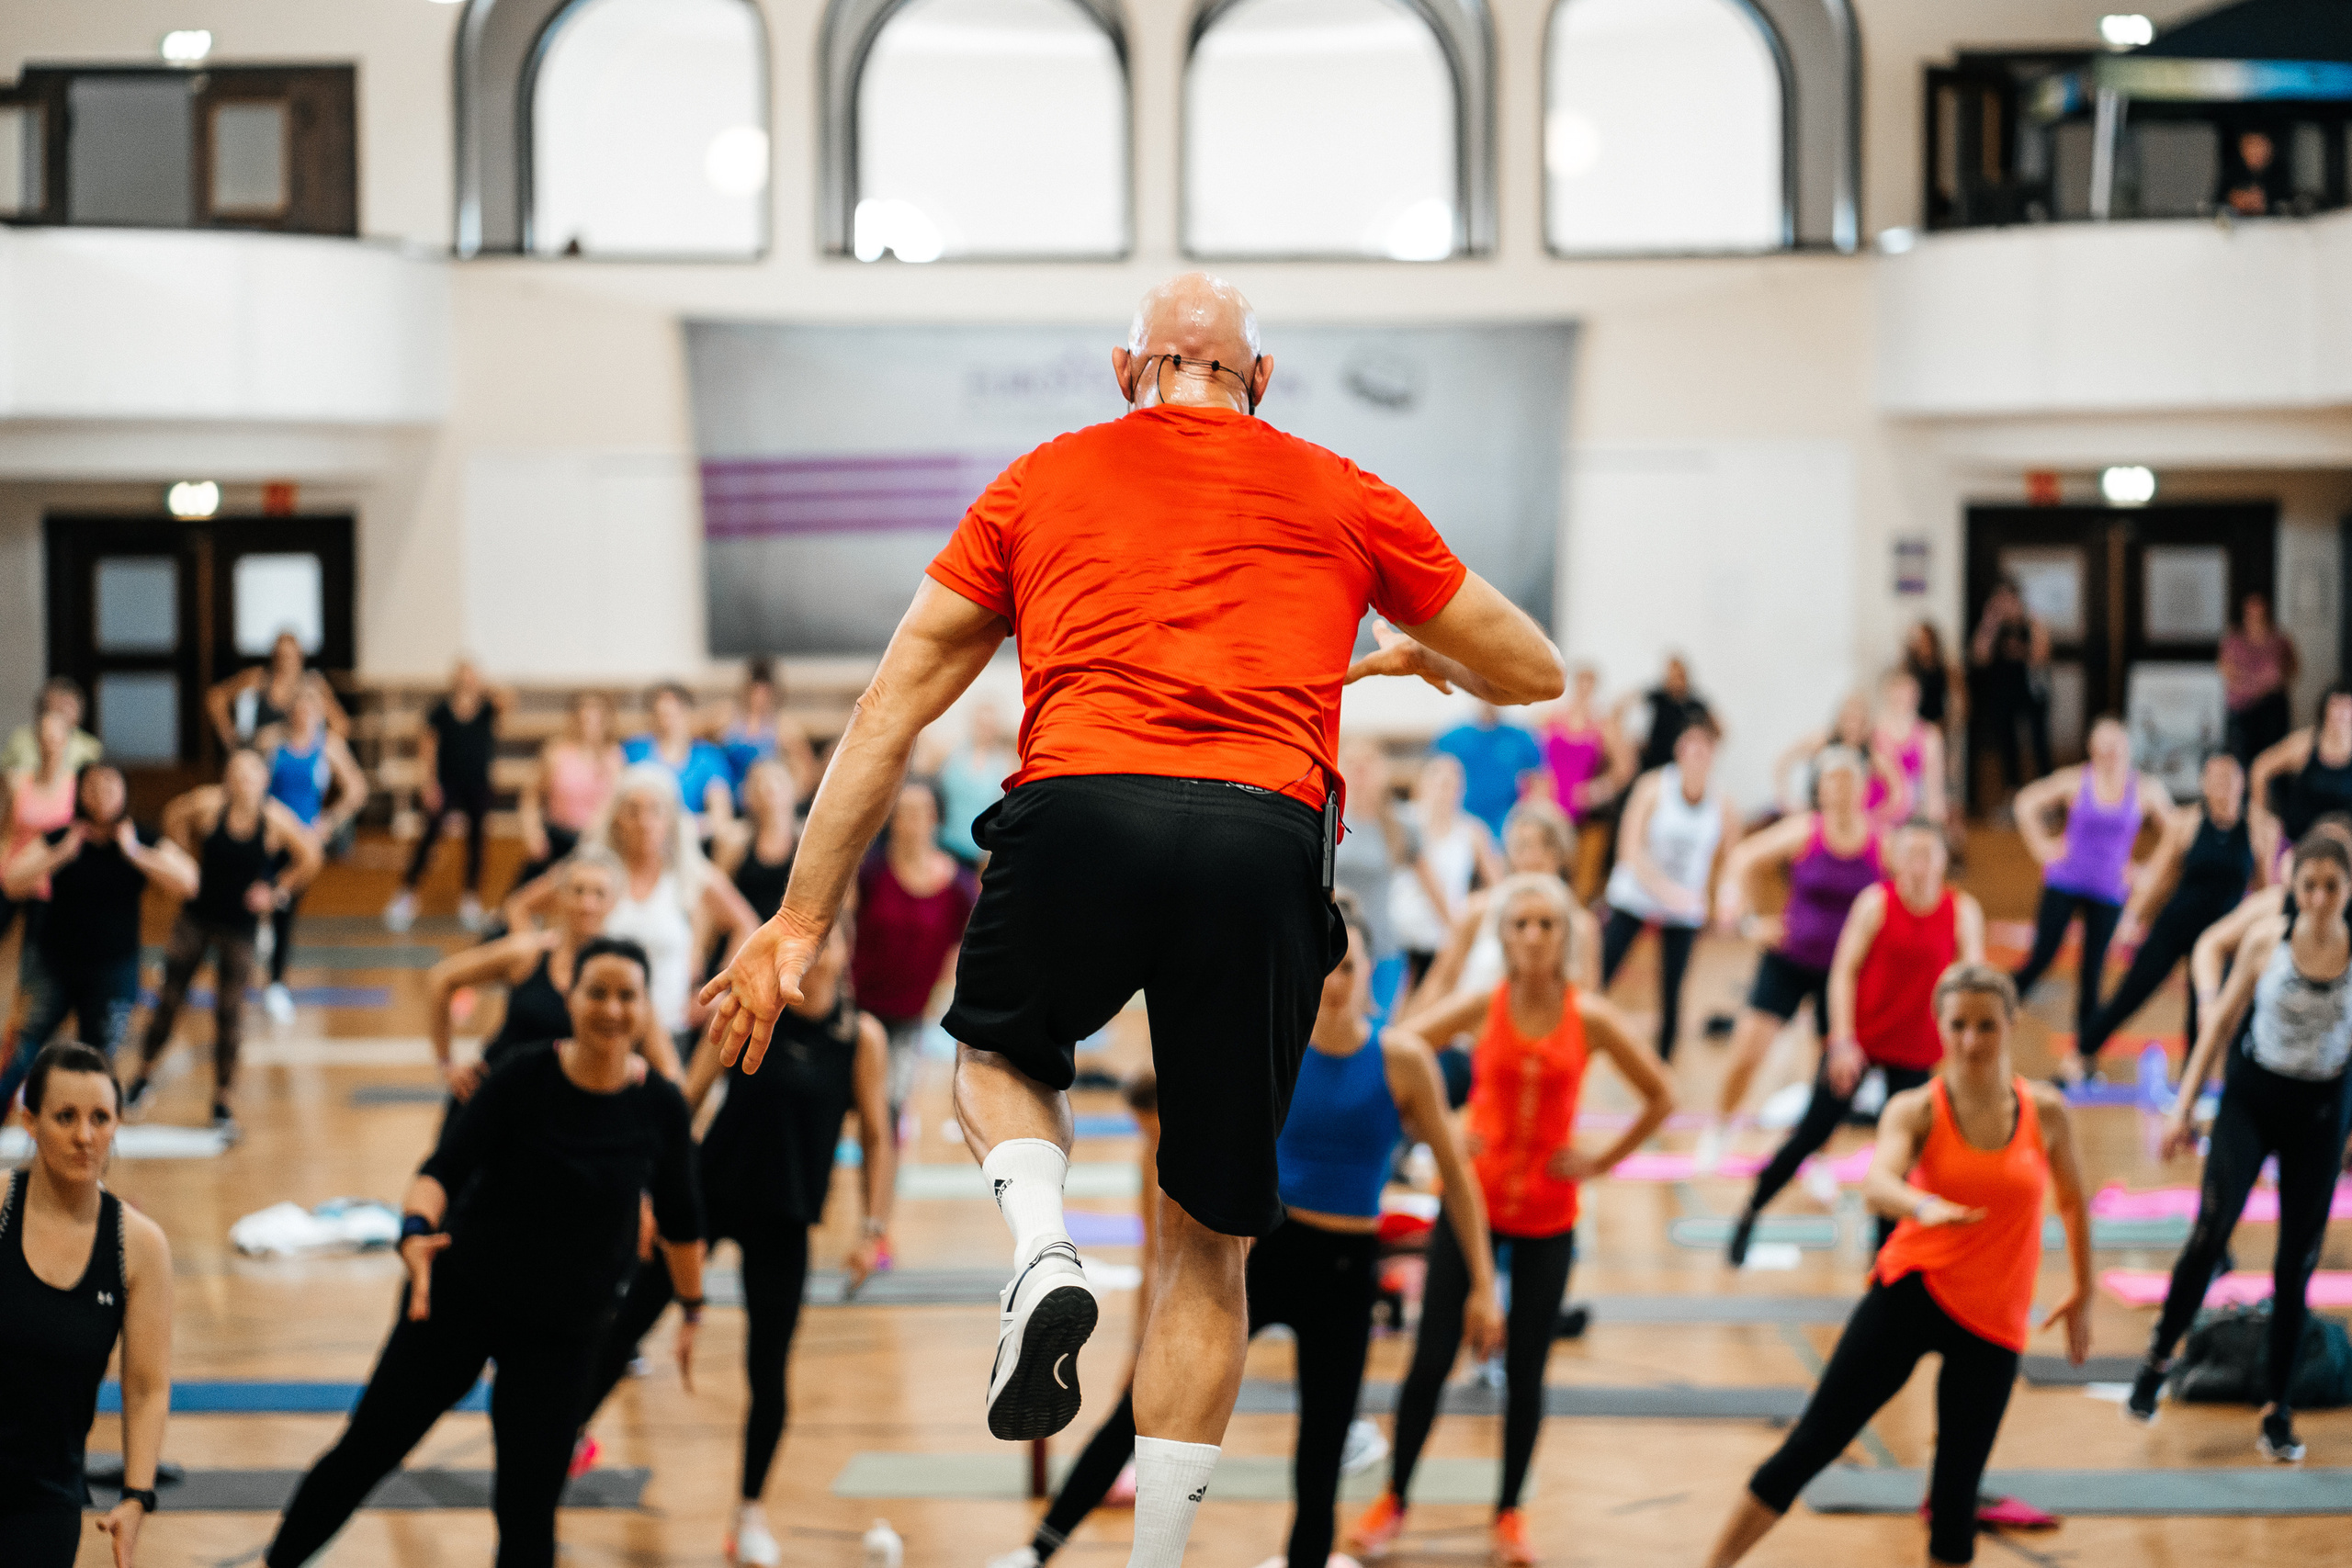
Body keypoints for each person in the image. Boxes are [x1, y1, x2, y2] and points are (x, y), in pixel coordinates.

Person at [698, 273, 1562, 1568]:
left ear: (1125, 370)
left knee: (995, 1056)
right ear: (1260, 382)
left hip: (1081, 808)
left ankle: (1043, 1246)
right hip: (1265, 840)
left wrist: (796, 921)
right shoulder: (1341, 489)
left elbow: (891, 708)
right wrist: (1427, 651)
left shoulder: (1041, 480)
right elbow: (1534, 669)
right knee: (1206, 1240)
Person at [996, 895, 1504, 1568]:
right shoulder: (1276, 1044)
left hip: (1347, 1271)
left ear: (1370, 972)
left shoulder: (1403, 1060)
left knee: (1320, 1454)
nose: (1336, 981)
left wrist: (1484, 1288)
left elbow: (1458, 1181)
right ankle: (1039, 1548)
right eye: (1326, 967)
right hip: (1266, 1252)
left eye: (1350, 967)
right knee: (1148, 1402)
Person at [266, 938, 706, 1568]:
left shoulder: (659, 1106)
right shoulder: (523, 1075)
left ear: (646, 1007)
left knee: (529, 1511)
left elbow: (684, 1222)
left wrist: (691, 1306)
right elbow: (442, 1168)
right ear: (570, 998)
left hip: (562, 1333)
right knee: (365, 1451)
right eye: (597, 992)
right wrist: (415, 1228)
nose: (611, 1008)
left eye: (626, 995)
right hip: (459, 1300)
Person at [1703, 964, 2092, 1568]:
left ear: (2011, 1024)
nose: (1970, 1040)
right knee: (1811, 1445)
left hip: (1993, 1318)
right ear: (1939, 1025)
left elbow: (2071, 1198)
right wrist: (1924, 1204)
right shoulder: (1916, 1108)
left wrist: (2085, 1290)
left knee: (1956, 1497)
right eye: (1958, 1024)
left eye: (1986, 1026)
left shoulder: (2045, 1111)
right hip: (1913, 1292)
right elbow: (1878, 1179)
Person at [1351, 874, 1674, 1566]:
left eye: (1545, 924)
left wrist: (1600, 1160)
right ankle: (1395, 1498)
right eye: (1520, 923)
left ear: (1563, 938)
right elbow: (1399, 1050)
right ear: (1503, 936)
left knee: (1526, 1370)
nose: (1532, 935)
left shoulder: (1589, 1016)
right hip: (1475, 1205)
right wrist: (1438, 1127)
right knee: (1431, 1358)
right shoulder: (1483, 1004)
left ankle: (1509, 1511)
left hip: (1549, 1219)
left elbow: (1661, 1094)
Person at [579, 923, 892, 1568]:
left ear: (846, 949)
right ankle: (562, 1436)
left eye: (833, 939)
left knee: (769, 1371)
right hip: (707, 1193)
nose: (820, 951)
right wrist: (647, 1191)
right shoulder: (754, 1005)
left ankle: (748, 1514)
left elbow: (880, 1138)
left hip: (786, 1215)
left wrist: (873, 1227)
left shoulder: (859, 1038)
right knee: (631, 1319)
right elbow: (684, 1101)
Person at [2122, 830, 2352, 1461]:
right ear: (2293, 888)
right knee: (2211, 1228)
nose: (2322, 898)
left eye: (2334, 886)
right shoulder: (2266, 940)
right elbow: (2221, 1022)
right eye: (2310, 885)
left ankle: (2277, 1408)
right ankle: (2156, 1359)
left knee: (2294, 1264)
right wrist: (2185, 1107)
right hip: (2252, 1101)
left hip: (2320, 1113)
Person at [1727, 821, 1985, 1265]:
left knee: (1898, 1158)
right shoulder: (1876, 904)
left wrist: (1965, 1053)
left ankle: (1881, 1262)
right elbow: (1843, 972)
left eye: (1929, 854)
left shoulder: (1962, 912)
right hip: (1862, 1041)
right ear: (1898, 859)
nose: (1920, 864)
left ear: (1944, 859)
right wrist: (1843, 1042)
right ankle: (1750, 1211)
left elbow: (1973, 984)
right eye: (1911, 854)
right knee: (1812, 1132)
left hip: (1915, 1048)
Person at [0, 1043, 173, 1568]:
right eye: (65, 1117)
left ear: (119, 1122)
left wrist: (137, 1495)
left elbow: (145, 1387)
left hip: (45, 1498)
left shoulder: (139, 1247)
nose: (84, 1136)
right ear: (30, 1123)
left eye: (100, 1117)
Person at [1702, 747, 1884, 1170]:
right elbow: (1742, 858)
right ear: (1819, 789)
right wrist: (1744, 917)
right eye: (1829, 781)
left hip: (1843, 976)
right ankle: (1719, 1131)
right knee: (1746, 1055)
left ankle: (1814, 1158)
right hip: (1788, 961)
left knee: (1832, 1079)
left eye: (1847, 781)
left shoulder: (1880, 843)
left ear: (1862, 788)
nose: (1838, 790)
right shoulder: (1806, 831)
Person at [508, 763, 756, 1070]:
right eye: (633, 811)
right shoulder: (593, 869)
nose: (644, 822)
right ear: (616, 818)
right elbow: (520, 905)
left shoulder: (690, 873)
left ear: (671, 820)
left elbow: (746, 924)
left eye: (655, 810)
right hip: (599, 1026)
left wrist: (719, 990)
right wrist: (531, 960)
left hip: (669, 1025)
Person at [130, 751, 322, 1135]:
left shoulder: (275, 819)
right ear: (228, 778)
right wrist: (184, 861)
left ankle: (222, 1099)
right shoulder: (207, 805)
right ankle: (143, 1076)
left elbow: (310, 857)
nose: (244, 781)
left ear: (263, 780)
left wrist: (276, 891)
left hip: (240, 926)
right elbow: (172, 817)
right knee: (169, 998)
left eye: (252, 774)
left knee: (230, 1013)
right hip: (196, 917)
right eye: (237, 773)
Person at [2, 767, 198, 1105]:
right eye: (93, 786)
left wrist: (136, 853)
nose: (102, 794)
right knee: (26, 1049)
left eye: (111, 786)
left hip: (114, 970)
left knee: (99, 1060)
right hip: (56, 965)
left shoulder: (141, 838)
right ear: (80, 793)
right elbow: (11, 881)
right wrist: (59, 855)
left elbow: (189, 882)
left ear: (125, 793)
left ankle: (90, 1133)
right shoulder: (61, 836)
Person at [2009, 716, 2174, 1083]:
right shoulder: (2076, 780)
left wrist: (2148, 870)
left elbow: (2176, 832)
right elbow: (2026, 801)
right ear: (2092, 749)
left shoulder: (2146, 790)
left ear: (2127, 748)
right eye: (2102, 746)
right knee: (2042, 956)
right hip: (2065, 879)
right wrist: (2042, 846)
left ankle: (2083, 1057)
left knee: (2093, 972)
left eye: (2116, 746)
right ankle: (1998, 1006)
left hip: (2109, 890)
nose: (2110, 753)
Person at [2080, 752, 2253, 1058]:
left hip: (2220, 939)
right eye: (2215, 778)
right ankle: (2080, 1056)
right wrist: (2131, 918)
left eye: (2230, 778)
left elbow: (2267, 889)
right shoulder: (2186, 823)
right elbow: (2158, 876)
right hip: (2174, 928)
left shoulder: (2260, 828)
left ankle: (2190, 1090)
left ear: (2243, 782)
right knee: (2128, 996)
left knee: (2202, 1014)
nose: (2223, 786)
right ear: (2204, 784)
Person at [422, 850, 624, 1109]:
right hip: (498, 1099)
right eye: (578, 891)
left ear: (615, 901)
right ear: (559, 897)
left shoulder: (621, 973)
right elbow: (442, 978)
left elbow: (658, 1058)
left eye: (599, 893)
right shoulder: (528, 952)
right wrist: (446, 1064)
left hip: (568, 1109)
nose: (587, 903)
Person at [1600, 720, 1740, 1064]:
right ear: (1679, 751)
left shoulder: (1721, 803)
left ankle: (1662, 1068)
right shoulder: (1653, 787)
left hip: (1684, 905)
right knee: (1601, 971)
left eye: (1705, 750)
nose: (1697, 756)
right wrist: (1665, 891)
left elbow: (1734, 861)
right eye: (1691, 747)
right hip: (1636, 894)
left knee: (1673, 991)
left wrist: (1727, 899)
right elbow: (1629, 851)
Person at [851, 780, 978, 1121]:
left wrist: (945, 993)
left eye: (919, 812)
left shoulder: (958, 886)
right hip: (858, 1009)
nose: (909, 821)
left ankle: (885, 1175)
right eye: (902, 813)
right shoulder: (871, 871)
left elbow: (970, 943)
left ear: (935, 817)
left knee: (890, 1109)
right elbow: (846, 928)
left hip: (912, 1015)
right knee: (850, 1104)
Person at [254, 681, 367, 1023]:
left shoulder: (327, 746)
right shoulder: (272, 742)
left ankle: (276, 983)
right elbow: (253, 782)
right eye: (298, 708)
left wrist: (329, 822)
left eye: (310, 709)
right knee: (258, 896)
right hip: (271, 834)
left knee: (286, 904)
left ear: (318, 713)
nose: (303, 715)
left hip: (304, 841)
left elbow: (356, 789)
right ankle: (262, 933)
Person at [384, 659, 508, 935]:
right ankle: (407, 896)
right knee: (429, 838)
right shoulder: (440, 711)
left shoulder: (487, 709)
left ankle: (471, 899)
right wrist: (429, 784)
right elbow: (427, 747)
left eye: (472, 677)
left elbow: (508, 700)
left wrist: (486, 688)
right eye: (463, 677)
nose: (467, 682)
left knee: (477, 842)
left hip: (478, 785)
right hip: (447, 784)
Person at [1387, 753, 1501, 989]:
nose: (1445, 790)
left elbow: (1499, 885)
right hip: (1400, 931)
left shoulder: (1472, 831)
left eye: (1452, 784)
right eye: (1438, 781)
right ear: (1423, 785)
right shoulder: (1402, 821)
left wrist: (1471, 912)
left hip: (1446, 934)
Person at [514, 691, 625, 890]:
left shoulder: (614, 757)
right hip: (556, 838)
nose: (588, 724)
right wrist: (532, 832)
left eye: (595, 719)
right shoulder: (556, 752)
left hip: (595, 841)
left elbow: (612, 802)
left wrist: (592, 835)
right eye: (584, 718)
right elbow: (531, 796)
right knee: (524, 893)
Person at [2250, 680, 2352, 878]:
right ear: (2325, 710)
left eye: (2347, 706)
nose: (2341, 713)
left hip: (2344, 849)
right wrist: (2260, 815)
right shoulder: (2306, 744)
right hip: (2297, 844)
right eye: (2335, 705)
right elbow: (2260, 768)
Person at [1331, 737, 1416, 967]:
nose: (1360, 774)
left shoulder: (1400, 825)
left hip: (1384, 947)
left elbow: (1433, 885)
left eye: (1366, 766)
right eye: (1353, 765)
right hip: (1338, 947)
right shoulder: (1329, 820)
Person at [2, 710, 81, 946]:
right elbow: (5, 831)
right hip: (13, 870)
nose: (50, 746)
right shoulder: (17, 781)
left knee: (35, 952)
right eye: (45, 739)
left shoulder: (75, 787)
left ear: (66, 742)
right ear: (37, 740)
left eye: (56, 739)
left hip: (51, 876)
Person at [1970, 578, 2051, 800]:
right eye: (2000, 599)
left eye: (2009, 599)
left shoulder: (2031, 624)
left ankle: (2047, 796)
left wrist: (2033, 623)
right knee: (2007, 744)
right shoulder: (1993, 627)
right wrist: (1990, 622)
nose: (2005, 604)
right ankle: (2012, 793)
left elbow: (2040, 657)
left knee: (2039, 744)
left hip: (2032, 693)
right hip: (2003, 693)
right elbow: (1979, 657)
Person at [624, 683, 736, 838]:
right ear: (652, 715)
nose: (668, 721)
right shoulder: (635, 751)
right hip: (642, 834)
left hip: (693, 838)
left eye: (674, 713)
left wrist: (679, 828)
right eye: (661, 714)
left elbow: (721, 815)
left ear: (688, 713)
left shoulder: (708, 757)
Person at [206, 630, 349, 750]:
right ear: (274, 657)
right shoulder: (259, 679)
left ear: (300, 658)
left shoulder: (312, 684)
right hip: (264, 752)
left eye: (290, 657)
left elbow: (341, 725)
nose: (286, 663)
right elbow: (216, 696)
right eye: (281, 657)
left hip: (299, 754)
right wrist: (228, 734)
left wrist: (315, 747)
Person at [1432, 703, 1542, 839]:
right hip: (1462, 830)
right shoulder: (1452, 740)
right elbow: (1432, 782)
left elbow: (1539, 786)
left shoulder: (1521, 738)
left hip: (1508, 830)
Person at [721, 660, 821, 807]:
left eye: (765, 688)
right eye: (754, 686)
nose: (759, 693)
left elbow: (808, 773)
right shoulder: (726, 716)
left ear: (774, 691)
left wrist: (789, 800)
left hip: (767, 800)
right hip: (730, 800)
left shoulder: (785, 726)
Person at [2221, 591, 2297, 768]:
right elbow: (2229, 674)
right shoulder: (2234, 640)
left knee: (2275, 759)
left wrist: (2269, 682)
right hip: (2243, 711)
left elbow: (2292, 669)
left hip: (2272, 710)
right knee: (2243, 761)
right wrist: (2264, 682)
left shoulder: (2279, 639)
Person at [937, 698, 1016, 866]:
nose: (984, 730)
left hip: (982, 855)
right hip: (945, 847)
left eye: (989, 726)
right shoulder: (953, 753)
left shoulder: (1004, 762)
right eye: (981, 724)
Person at [718, 760, 798, 923]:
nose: (771, 787)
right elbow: (717, 901)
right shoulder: (735, 844)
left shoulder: (806, 844)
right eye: (761, 782)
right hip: (746, 938)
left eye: (778, 780)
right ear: (748, 796)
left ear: (793, 790)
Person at [1870, 669, 1947, 831]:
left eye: (1907, 691)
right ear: (1887, 693)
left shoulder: (1928, 735)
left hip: (1913, 815)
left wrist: (1935, 822)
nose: (1901, 696)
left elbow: (1934, 785)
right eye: (1897, 690)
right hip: (1876, 814)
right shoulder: (1873, 731)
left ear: (1917, 695)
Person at [1623, 653, 1713, 775]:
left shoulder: (1694, 705)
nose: (1674, 680)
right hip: (1652, 762)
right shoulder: (1657, 697)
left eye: (1678, 676)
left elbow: (1719, 729)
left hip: (1679, 767)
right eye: (1670, 675)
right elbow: (1627, 702)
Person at [0, 678, 101, 774]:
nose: (63, 711)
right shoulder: (21, 738)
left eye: (69, 705)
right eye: (59, 704)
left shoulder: (89, 747)